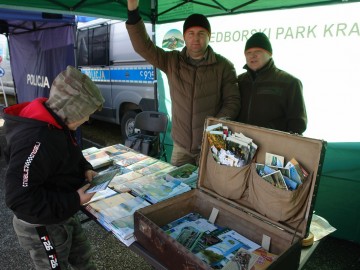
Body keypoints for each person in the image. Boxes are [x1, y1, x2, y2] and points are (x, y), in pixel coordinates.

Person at [3, 65, 105, 269]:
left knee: (83, 259)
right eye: (85, 114)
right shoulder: (36, 139)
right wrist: (74, 199)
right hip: (41, 224)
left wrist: (84, 167)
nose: (87, 119)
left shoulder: (57, 121)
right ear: (71, 108)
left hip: (64, 210)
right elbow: (20, 199)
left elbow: (71, 153)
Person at [126, 0, 240, 166]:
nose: (196, 38)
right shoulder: (172, 61)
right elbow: (143, 47)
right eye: (191, 33)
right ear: (184, 36)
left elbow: (233, 102)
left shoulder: (224, 67)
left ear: (209, 36)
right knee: (177, 190)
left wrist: (215, 127)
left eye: (201, 33)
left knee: (207, 191)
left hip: (210, 147)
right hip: (181, 148)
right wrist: (133, 12)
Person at [237, 32, 307, 134]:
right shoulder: (237, 81)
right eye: (248, 52)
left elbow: (298, 124)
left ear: (270, 54)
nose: (253, 56)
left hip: (273, 146)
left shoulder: (290, 82)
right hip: (240, 145)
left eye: (258, 51)